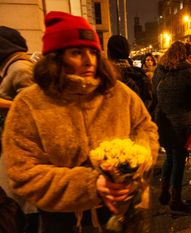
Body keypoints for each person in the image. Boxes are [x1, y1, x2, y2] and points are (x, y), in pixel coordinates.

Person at [2, 11, 159, 233]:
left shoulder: (119, 94)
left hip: (119, 215)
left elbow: (146, 129)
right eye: (77, 52)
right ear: (56, 58)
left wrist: (134, 165)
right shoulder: (28, 104)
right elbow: (23, 173)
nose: (89, 61)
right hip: (61, 222)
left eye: (93, 53)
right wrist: (89, 185)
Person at [153, 41, 191, 212]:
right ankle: (175, 199)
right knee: (179, 159)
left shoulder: (159, 69)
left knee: (170, 158)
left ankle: (164, 192)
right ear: (188, 57)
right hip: (181, 123)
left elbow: (153, 94)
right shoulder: (189, 71)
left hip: (163, 120)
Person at [0, 26, 37, 233]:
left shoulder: (20, 68)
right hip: (13, 145)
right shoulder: (14, 67)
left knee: (20, 208)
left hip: (21, 148)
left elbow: (32, 107)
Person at [107, 35, 152, 109]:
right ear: (128, 52)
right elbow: (147, 104)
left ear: (109, 53)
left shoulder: (105, 78)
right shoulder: (140, 75)